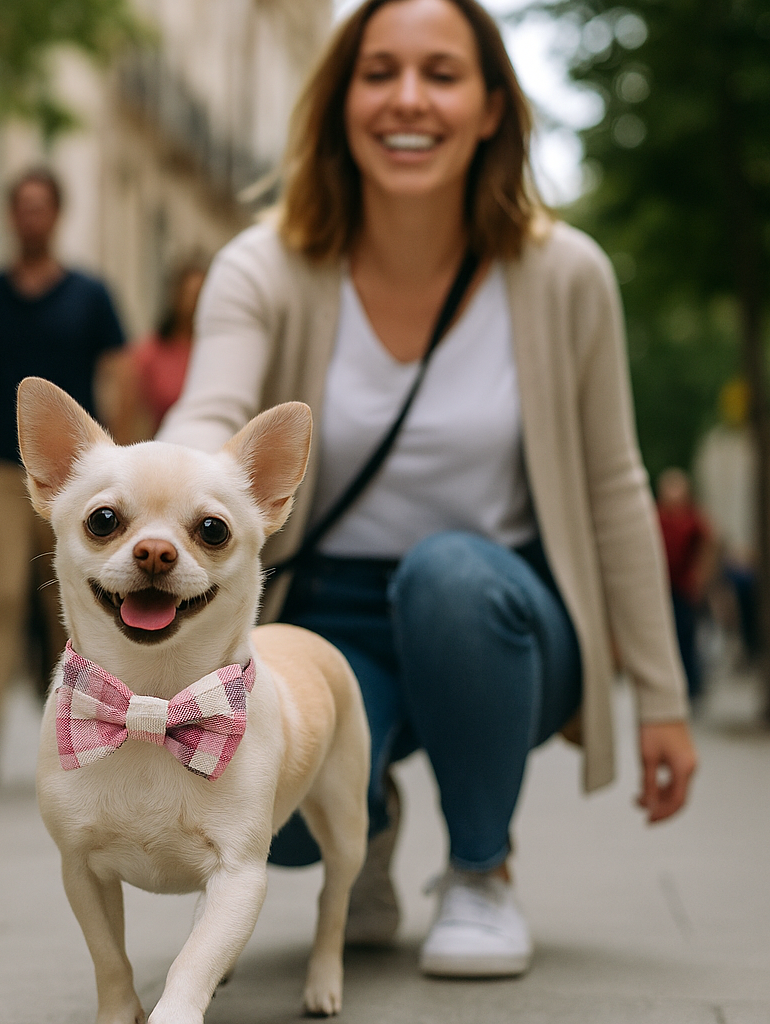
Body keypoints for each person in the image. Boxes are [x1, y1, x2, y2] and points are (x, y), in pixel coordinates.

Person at [159, 0, 697, 979]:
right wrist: (158, 496)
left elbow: (615, 484)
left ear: (492, 106)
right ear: (339, 100)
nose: (408, 99)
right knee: (273, 812)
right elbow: (211, 417)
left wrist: (662, 695)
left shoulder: (565, 273)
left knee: (447, 575)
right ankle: (353, 840)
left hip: (502, 612)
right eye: (379, 72)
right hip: (323, 612)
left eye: (441, 73)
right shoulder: (262, 263)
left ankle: (480, 869)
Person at [0, 167, 126, 784]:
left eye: (41, 207)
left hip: (79, 478)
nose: (31, 217)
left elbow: (119, 377)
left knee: (68, 605)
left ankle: (86, 734)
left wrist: (119, 464)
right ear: (10, 216)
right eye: (21, 207)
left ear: (58, 214)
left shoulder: (91, 295)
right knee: (4, 596)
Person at [105, 257, 208, 444]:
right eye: (189, 294)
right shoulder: (150, 352)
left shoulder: (212, 352)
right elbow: (126, 413)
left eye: (200, 295)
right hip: (163, 448)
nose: (194, 303)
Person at [656, 468, 716, 700]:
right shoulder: (657, 516)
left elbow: (710, 544)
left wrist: (700, 578)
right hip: (661, 587)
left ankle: (691, 685)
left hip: (683, 587)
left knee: (687, 635)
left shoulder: (692, 518)